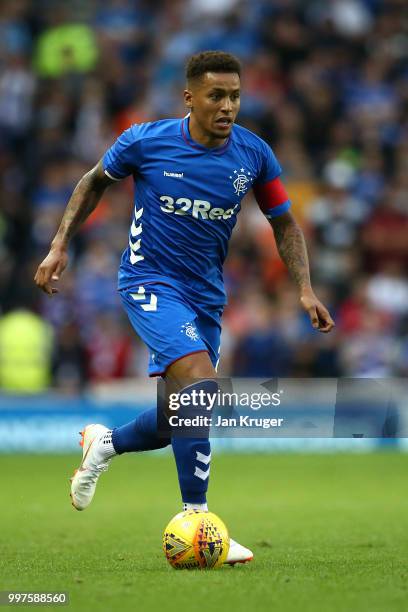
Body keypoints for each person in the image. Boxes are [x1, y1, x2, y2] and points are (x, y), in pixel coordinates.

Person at [34, 50, 335, 565]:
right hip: (148, 280)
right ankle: (199, 520)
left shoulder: (254, 155)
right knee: (201, 385)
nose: (228, 106)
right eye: (216, 96)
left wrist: (305, 287)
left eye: (235, 96)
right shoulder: (145, 142)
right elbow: (92, 183)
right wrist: (60, 243)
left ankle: (104, 444)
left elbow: (284, 222)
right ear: (190, 97)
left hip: (205, 295)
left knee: (180, 415)